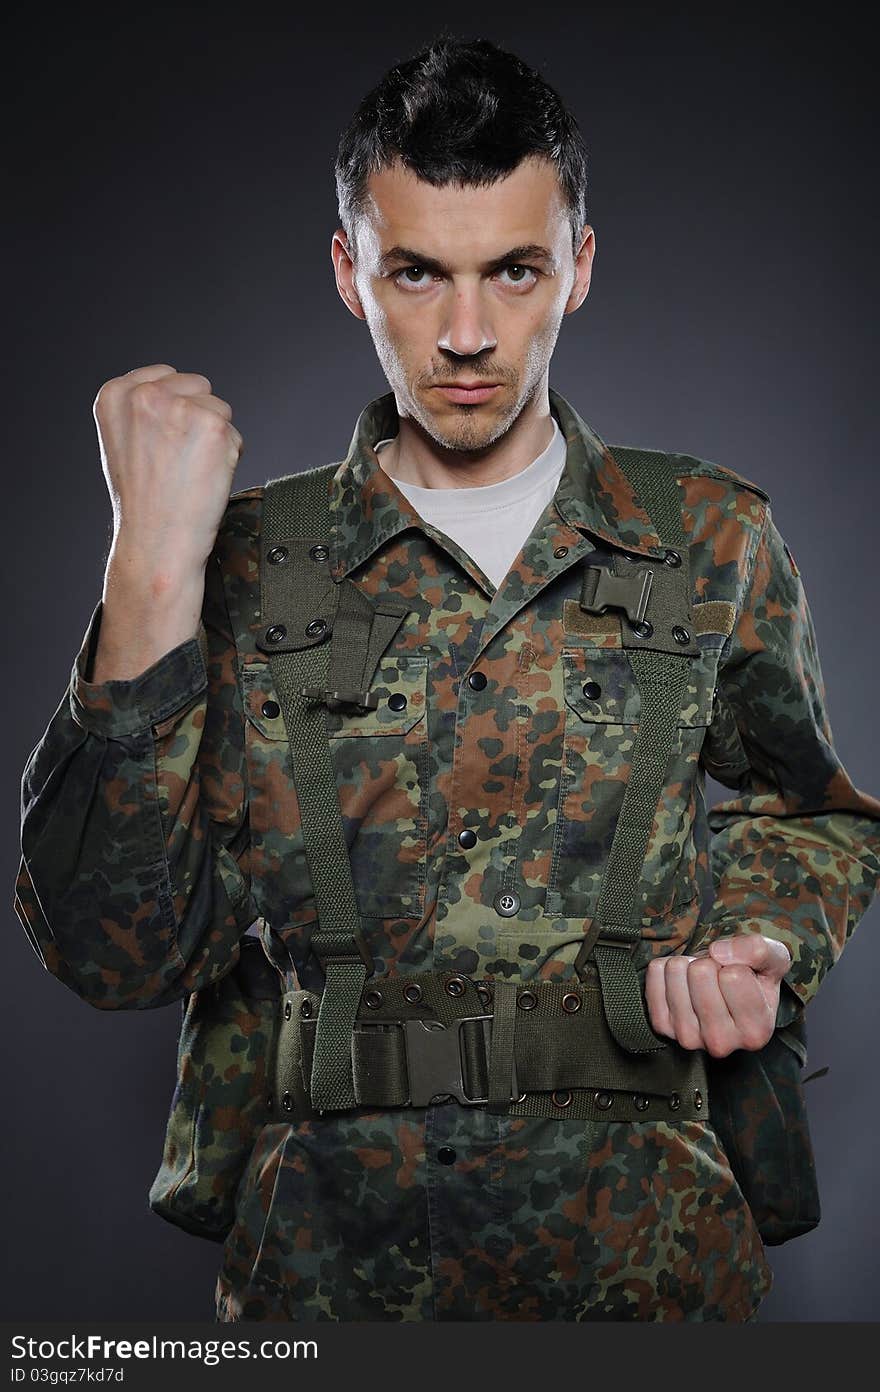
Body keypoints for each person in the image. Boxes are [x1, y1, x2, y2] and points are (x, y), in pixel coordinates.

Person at [13, 34, 880, 1324]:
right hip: (332, 1262)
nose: (467, 336)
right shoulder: (240, 562)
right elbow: (111, 954)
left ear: (577, 267)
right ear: (350, 276)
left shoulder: (708, 536)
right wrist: (146, 565)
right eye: (415, 273)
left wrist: (759, 938)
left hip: (646, 1250)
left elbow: (811, 813)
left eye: (513, 270)